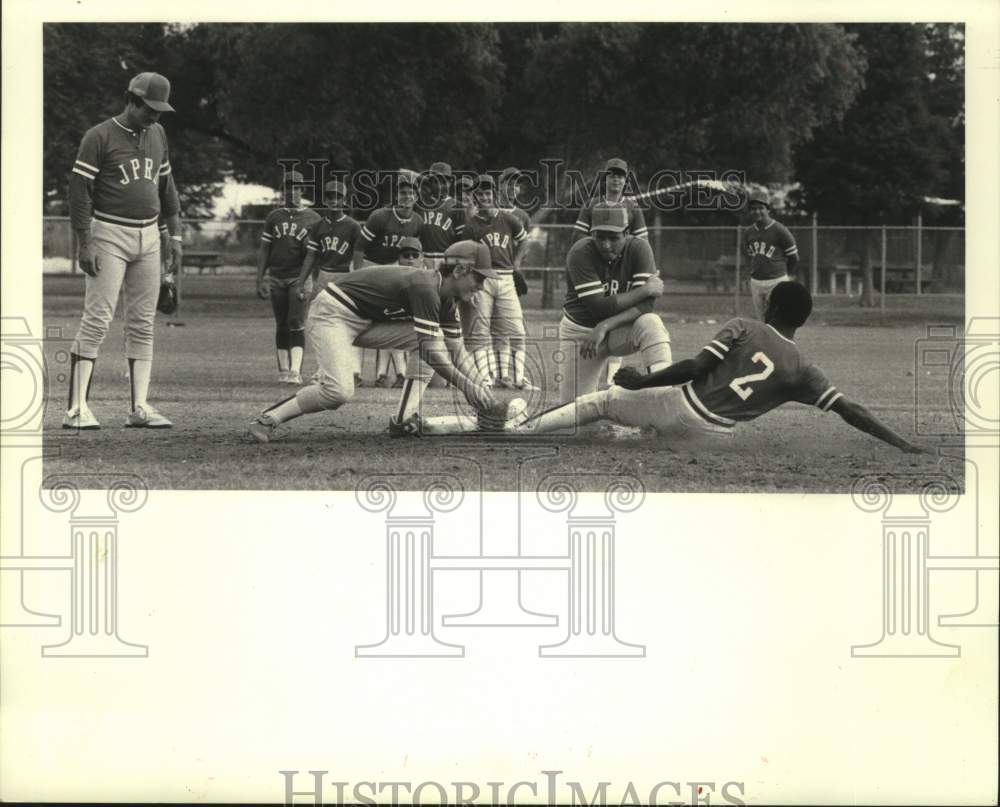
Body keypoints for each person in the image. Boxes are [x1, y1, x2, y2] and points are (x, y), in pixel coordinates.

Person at [512, 281, 925, 453]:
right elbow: (850, 410)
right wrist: (903, 444)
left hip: (682, 407)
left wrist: (644, 380)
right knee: (650, 437)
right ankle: (640, 433)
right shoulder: (804, 368)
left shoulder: (744, 327)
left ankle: (521, 432)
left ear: (772, 306)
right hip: (715, 437)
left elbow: (694, 366)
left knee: (604, 400)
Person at [246, 241, 499, 443]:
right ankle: (269, 418)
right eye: (479, 278)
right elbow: (432, 352)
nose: (481, 286)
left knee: (434, 342)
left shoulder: (447, 298)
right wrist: (467, 387)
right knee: (338, 392)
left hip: (366, 320)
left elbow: (457, 351)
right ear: (458, 270)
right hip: (332, 313)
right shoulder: (426, 287)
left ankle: (401, 420)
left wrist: (483, 391)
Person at [64, 71, 183, 430]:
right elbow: (79, 192)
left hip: (148, 235)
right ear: (130, 99)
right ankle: (76, 409)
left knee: (143, 323)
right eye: (149, 108)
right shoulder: (98, 136)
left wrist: (174, 237)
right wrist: (85, 242)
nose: (155, 116)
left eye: (160, 110)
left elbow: (166, 190)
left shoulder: (158, 134)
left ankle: (139, 408)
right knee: (98, 318)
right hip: (108, 232)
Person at [559, 204, 673, 403]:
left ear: (626, 233)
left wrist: (604, 326)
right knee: (575, 414)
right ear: (591, 234)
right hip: (582, 334)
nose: (605, 244)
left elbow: (646, 307)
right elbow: (597, 305)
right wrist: (646, 289)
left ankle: (664, 394)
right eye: (600, 237)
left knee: (651, 323)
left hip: (620, 329)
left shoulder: (639, 248)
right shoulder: (580, 252)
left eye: (613, 237)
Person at [572, 157, 650, 386]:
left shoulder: (633, 207)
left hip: (622, 272)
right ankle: (589, 372)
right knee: (595, 313)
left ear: (626, 180)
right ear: (605, 178)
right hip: (596, 271)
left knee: (617, 318)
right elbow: (578, 239)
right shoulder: (591, 205)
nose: (616, 178)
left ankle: (612, 379)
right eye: (612, 174)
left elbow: (642, 242)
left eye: (620, 175)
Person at [461, 174, 531, 389]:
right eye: (480, 193)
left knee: (516, 330)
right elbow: (465, 255)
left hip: (507, 277)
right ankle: (485, 377)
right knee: (481, 330)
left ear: (494, 195)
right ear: (475, 197)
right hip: (482, 278)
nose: (484, 196)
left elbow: (524, 241)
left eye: (488, 192)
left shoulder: (509, 219)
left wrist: (516, 263)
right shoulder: (471, 225)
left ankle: (517, 378)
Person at [296, 179, 365, 386]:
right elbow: (311, 256)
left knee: (344, 325)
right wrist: (301, 283)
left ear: (345, 200)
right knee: (318, 325)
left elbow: (358, 256)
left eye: (338, 197)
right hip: (324, 277)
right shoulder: (319, 226)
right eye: (330, 197)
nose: (334, 200)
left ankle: (348, 370)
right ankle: (322, 369)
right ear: (325, 200)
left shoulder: (352, 226)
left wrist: (358, 280)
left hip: (344, 277)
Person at [257, 170, 322, 384]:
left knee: (296, 322)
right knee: (281, 324)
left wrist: (306, 281)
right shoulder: (274, 217)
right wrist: (259, 279)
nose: (292, 192)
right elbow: (265, 249)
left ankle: (295, 370)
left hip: (299, 277)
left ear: (302, 190)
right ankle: (283, 370)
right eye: (288, 188)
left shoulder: (313, 218)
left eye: (296, 188)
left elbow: (314, 254)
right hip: (277, 276)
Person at [373, 236, 425, 387]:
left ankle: (390, 374)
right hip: (403, 328)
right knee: (390, 325)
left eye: (415, 255)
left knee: (438, 384)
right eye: (406, 255)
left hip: (423, 333)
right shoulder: (391, 275)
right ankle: (396, 374)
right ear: (399, 258)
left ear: (422, 257)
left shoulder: (429, 275)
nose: (410, 259)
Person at [742, 189, 799, 319]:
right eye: (753, 208)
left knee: (777, 318)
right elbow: (749, 256)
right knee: (762, 320)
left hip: (776, 281)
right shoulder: (748, 232)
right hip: (756, 282)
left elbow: (794, 258)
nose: (757, 211)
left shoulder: (780, 230)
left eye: (761, 208)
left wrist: (787, 277)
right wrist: (750, 273)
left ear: (768, 209)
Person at [417, 162, 464, 268]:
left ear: (450, 182)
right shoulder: (420, 202)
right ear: (429, 182)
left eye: (444, 181)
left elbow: (461, 240)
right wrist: (424, 179)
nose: (440, 185)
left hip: (446, 258)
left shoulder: (457, 206)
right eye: (436, 181)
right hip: (422, 257)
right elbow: (403, 173)